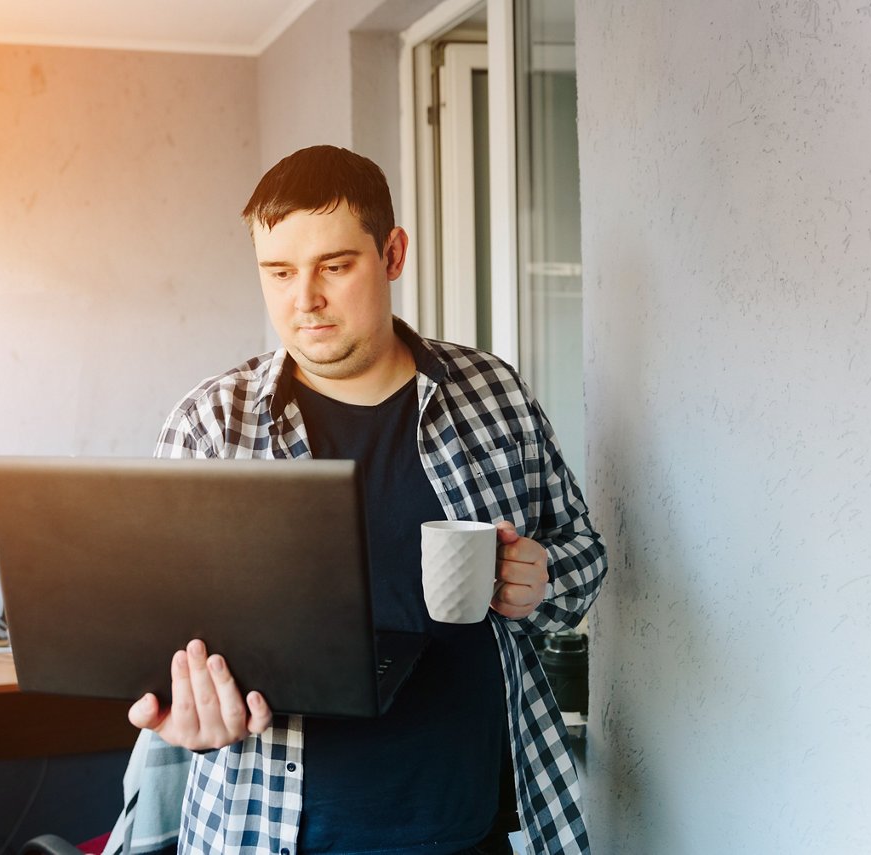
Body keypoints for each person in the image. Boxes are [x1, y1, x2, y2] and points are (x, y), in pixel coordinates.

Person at [122, 145, 606, 855]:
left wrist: (543, 580)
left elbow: (582, 553)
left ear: (394, 252)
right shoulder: (210, 425)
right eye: (279, 272)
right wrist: (186, 713)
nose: (304, 298)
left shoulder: (493, 393)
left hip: (473, 827)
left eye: (335, 266)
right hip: (274, 830)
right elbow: (160, 634)